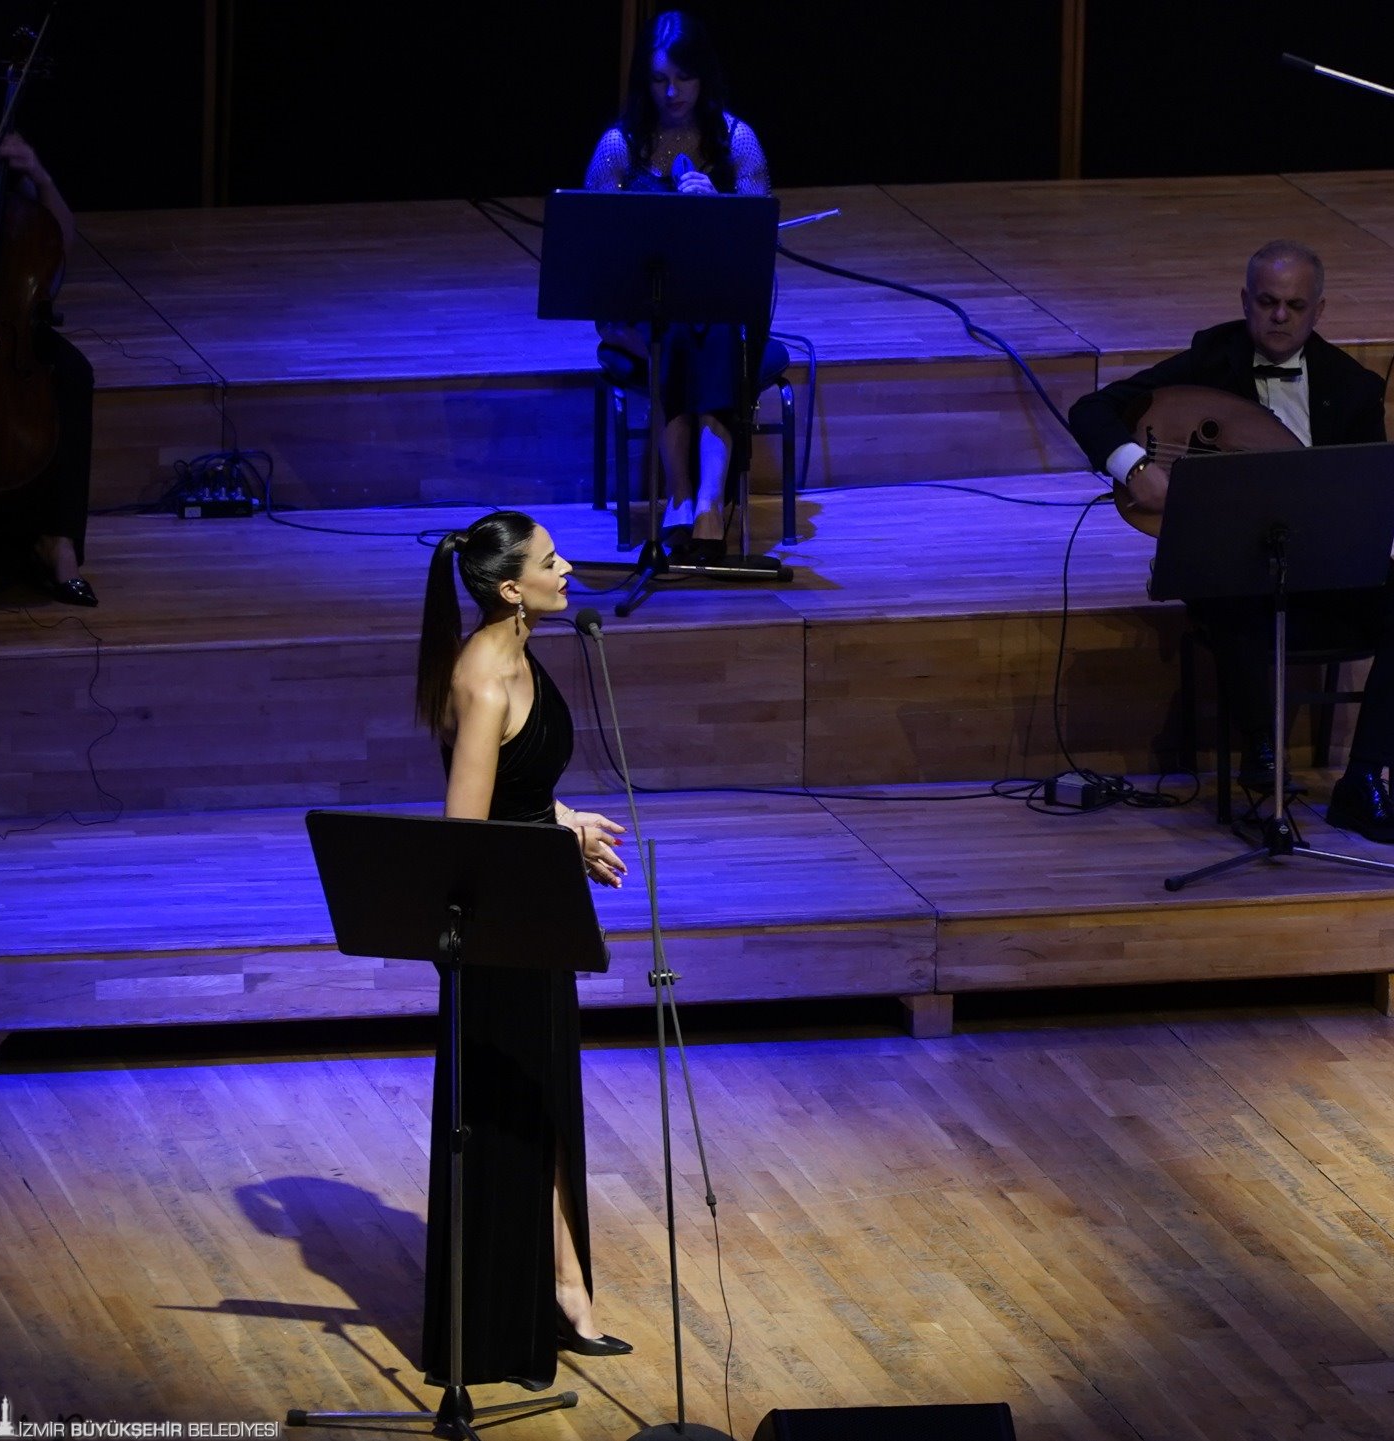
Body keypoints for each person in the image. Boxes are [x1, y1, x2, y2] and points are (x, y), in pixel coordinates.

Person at [1067, 240, 1394, 844]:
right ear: (1245, 302)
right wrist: (1135, 467)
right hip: (1230, 558)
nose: (1280, 316)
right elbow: (1090, 410)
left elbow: (1361, 501)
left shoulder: (1353, 387)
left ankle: (1363, 782)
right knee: (1232, 584)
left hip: (1323, 559)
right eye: (1267, 302)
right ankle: (1261, 755)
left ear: (1319, 310)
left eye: (1295, 305)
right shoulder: (1210, 359)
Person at [414, 511, 632, 1389]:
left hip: (536, 911)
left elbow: (517, 787)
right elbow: (466, 839)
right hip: (496, 931)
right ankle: (521, 1313)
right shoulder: (484, 679)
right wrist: (561, 836)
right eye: (550, 560)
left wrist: (564, 818)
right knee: (511, 1114)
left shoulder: (521, 647)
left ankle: (567, 1284)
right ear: (511, 588)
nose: (566, 566)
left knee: (546, 1106)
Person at [583, 10, 771, 559]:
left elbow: (756, 246)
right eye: (660, 80)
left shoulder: (736, 141)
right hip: (641, 315)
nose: (672, 93)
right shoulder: (620, 147)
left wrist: (718, 211)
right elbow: (596, 251)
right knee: (679, 333)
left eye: (684, 79)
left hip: (718, 310)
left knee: (710, 331)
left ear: (703, 77)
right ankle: (692, 498)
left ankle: (696, 503)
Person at [0, 132, 98, 607]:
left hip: (5, 321)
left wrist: (39, 174)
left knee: (72, 372)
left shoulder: (3, 163)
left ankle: (58, 541)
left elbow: (59, 243)